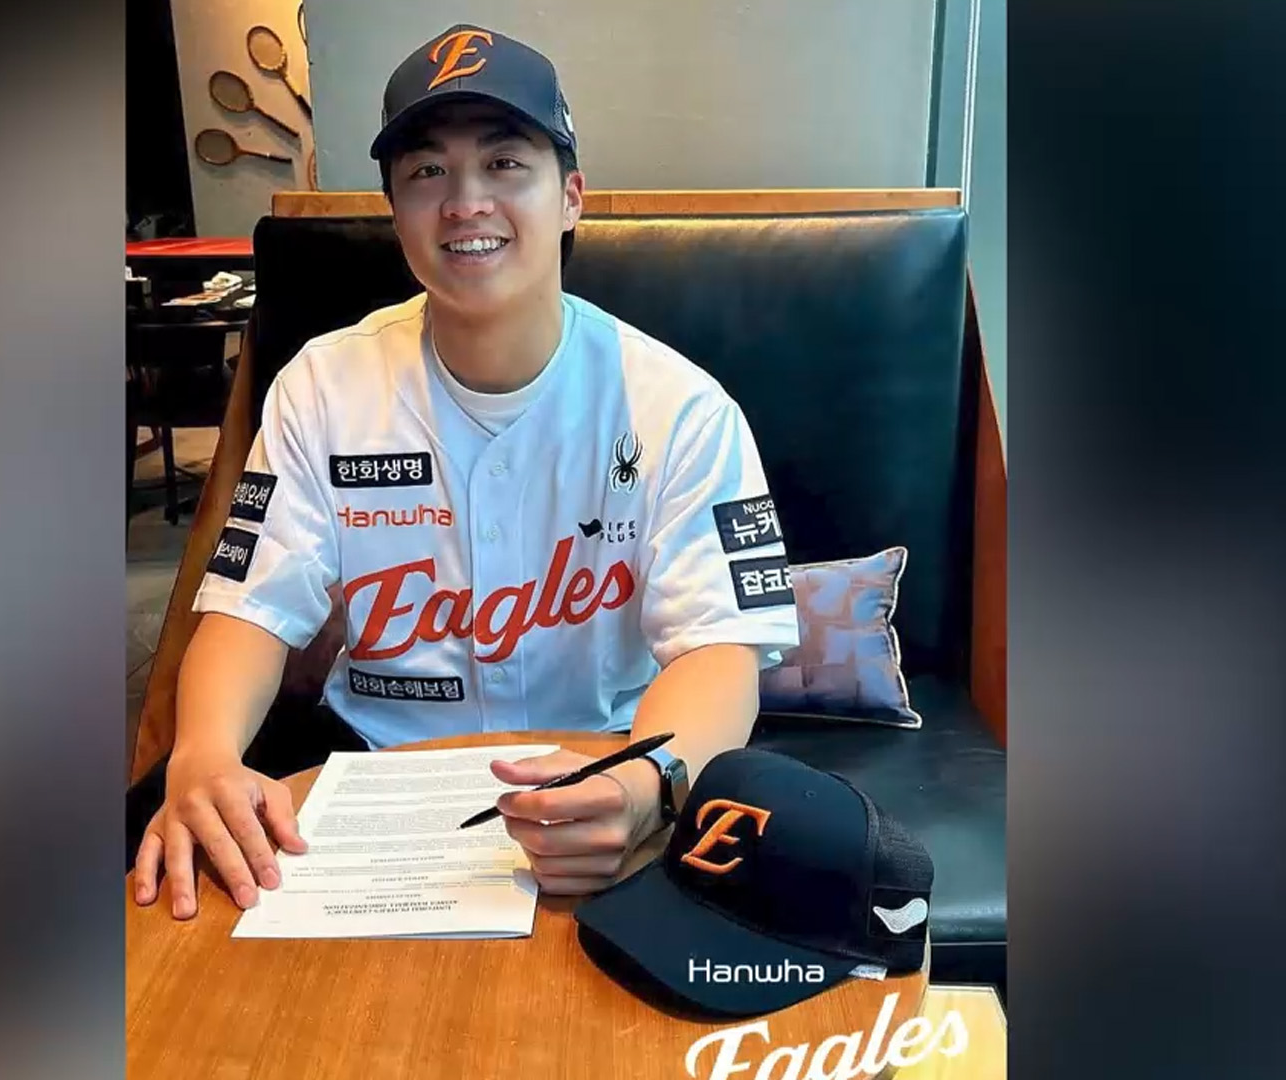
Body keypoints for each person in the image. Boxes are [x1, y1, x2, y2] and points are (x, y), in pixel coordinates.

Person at [133, 23, 798, 919]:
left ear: (570, 197)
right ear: (395, 211)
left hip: (603, 765)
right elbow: (249, 609)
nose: (465, 202)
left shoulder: (680, 407)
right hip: (371, 776)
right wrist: (205, 754)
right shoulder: (321, 387)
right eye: (427, 172)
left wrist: (651, 782)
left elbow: (720, 648)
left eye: (504, 163)